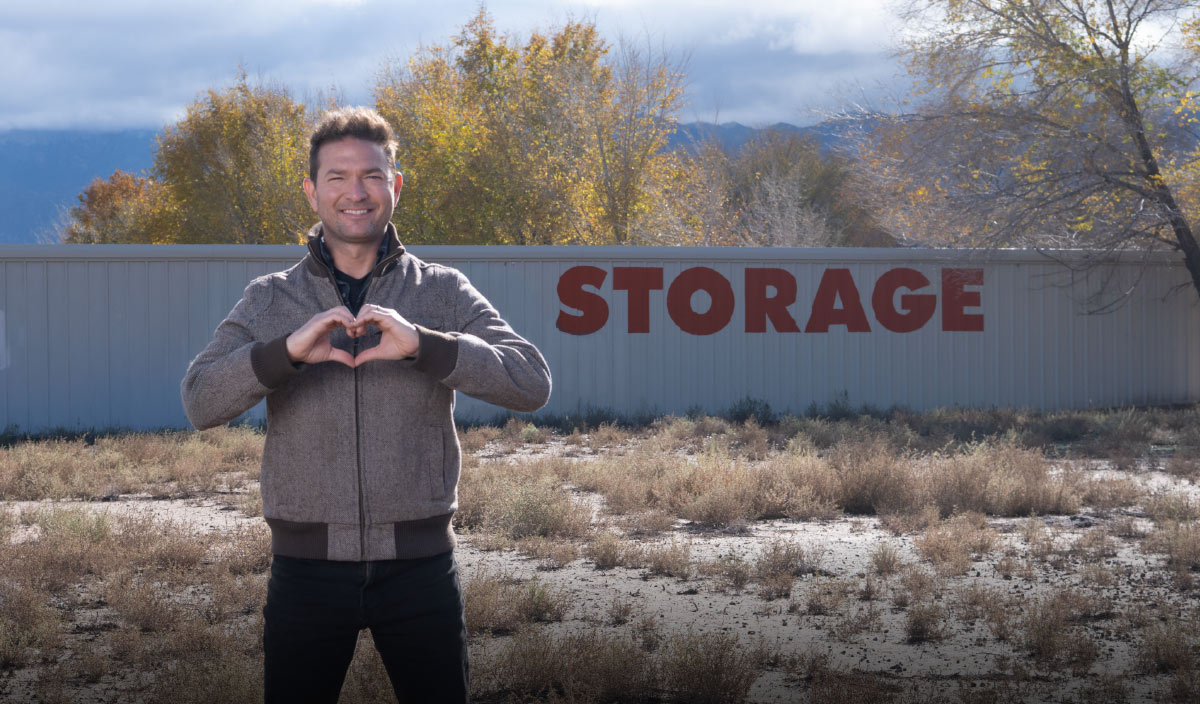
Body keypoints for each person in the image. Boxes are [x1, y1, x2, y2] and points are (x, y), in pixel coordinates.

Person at [181, 106, 551, 703]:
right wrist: (288, 352)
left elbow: (530, 381)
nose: (356, 192)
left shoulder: (442, 291)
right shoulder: (271, 298)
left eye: (373, 175)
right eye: (337, 177)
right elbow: (200, 400)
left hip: (421, 572)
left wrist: (427, 346)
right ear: (311, 191)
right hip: (304, 576)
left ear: (395, 186)